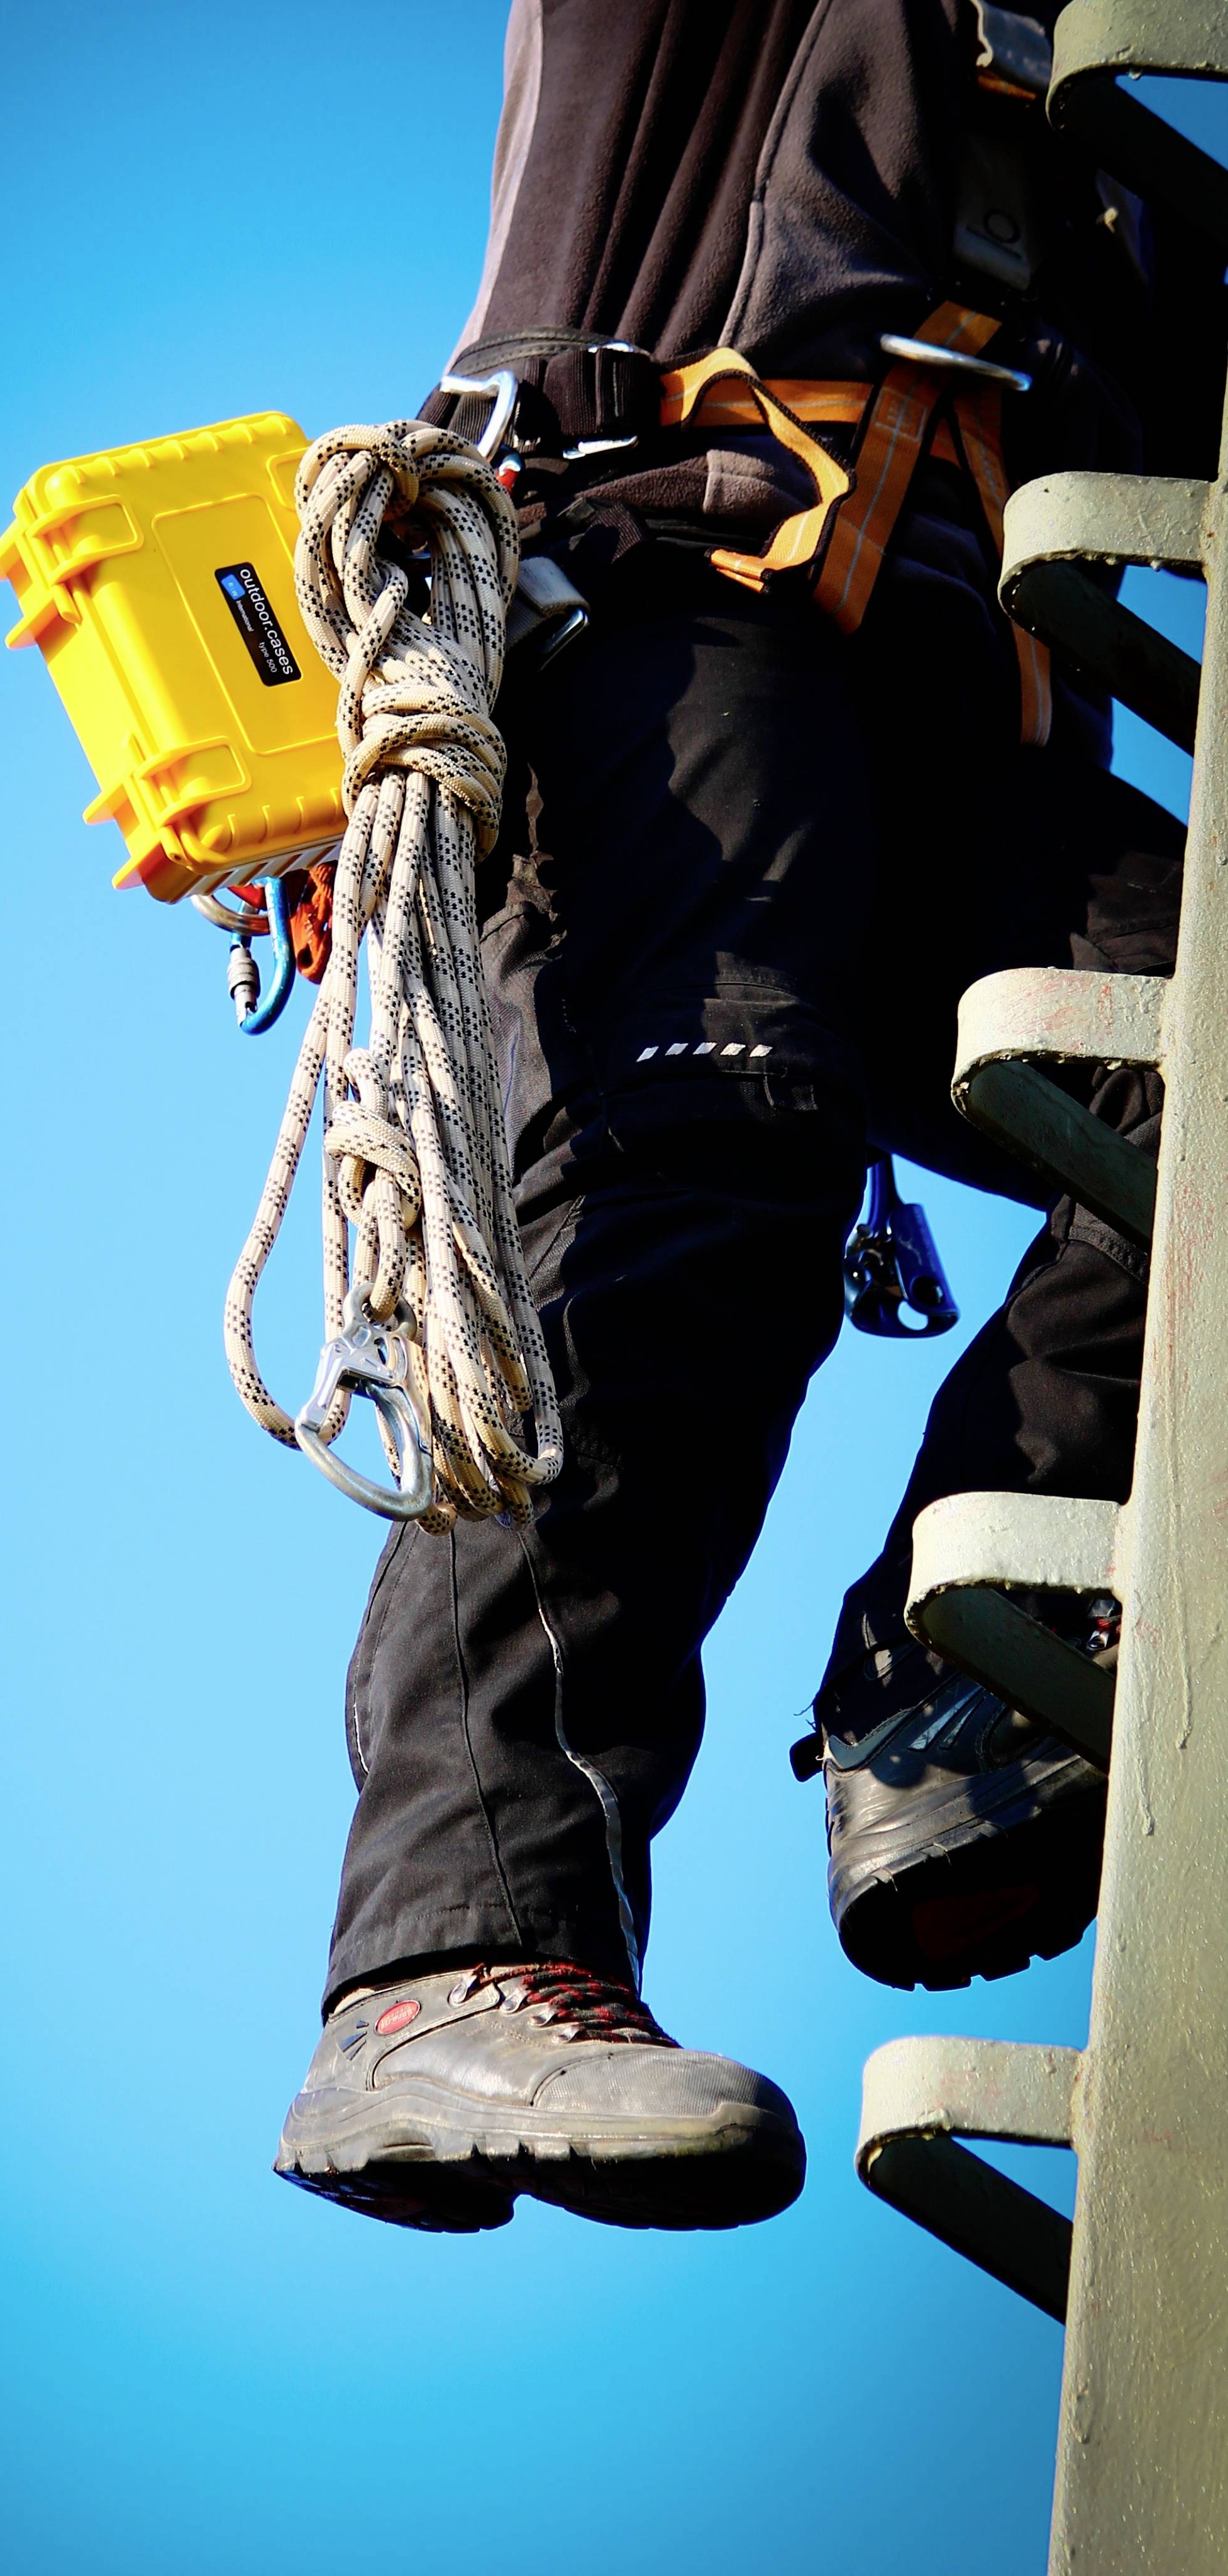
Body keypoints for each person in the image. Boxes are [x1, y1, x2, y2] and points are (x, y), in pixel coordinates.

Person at [273, 0, 1224, 2235]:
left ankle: (948, 1672)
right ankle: (445, 1967)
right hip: (657, 587)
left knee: (1196, 1050)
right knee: (699, 1179)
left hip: (959, 695)